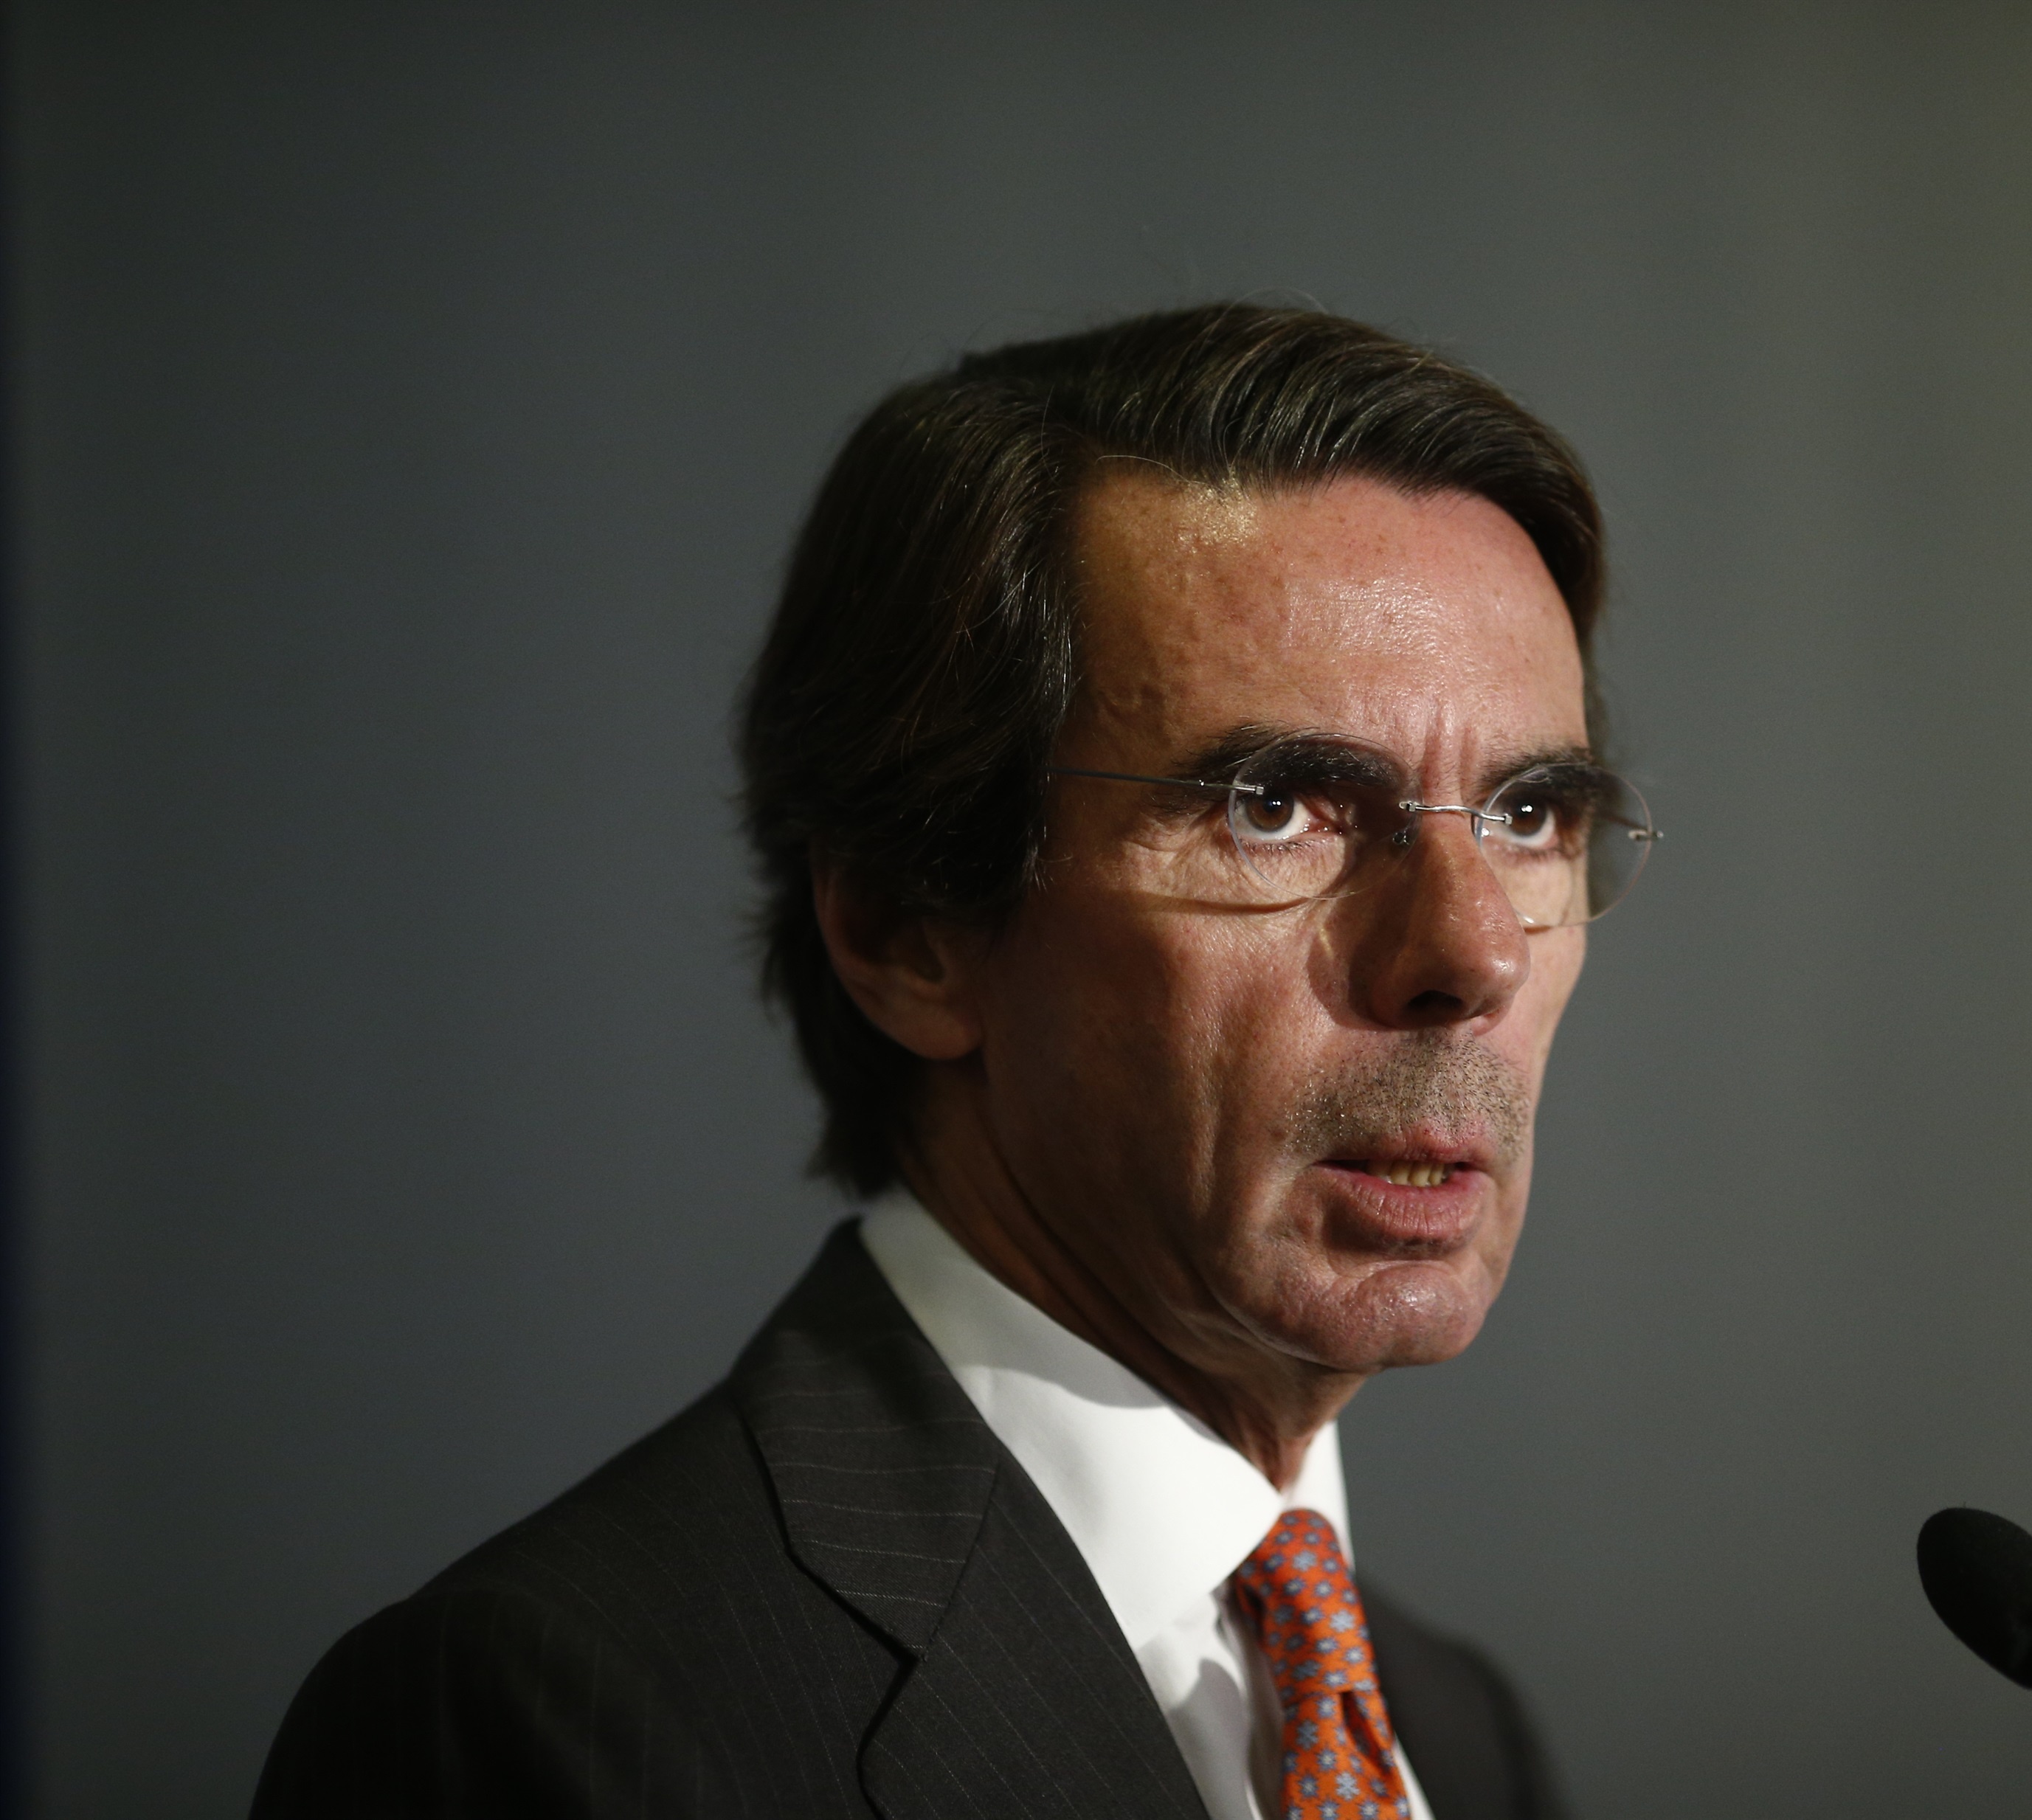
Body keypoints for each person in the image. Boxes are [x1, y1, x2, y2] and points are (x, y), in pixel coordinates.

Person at [252, 303, 1659, 1820]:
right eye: (1274, 808)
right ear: (907, 928)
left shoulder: (1462, 1739)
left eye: (1529, 816)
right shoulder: (547, 1725)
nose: (1472, 953)